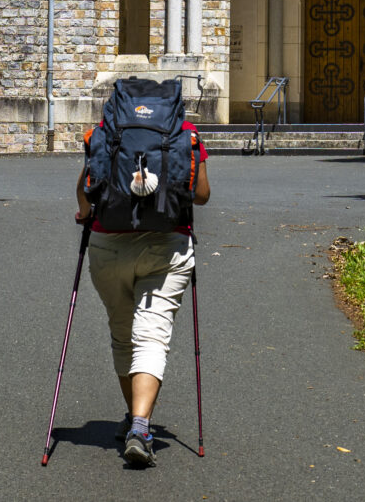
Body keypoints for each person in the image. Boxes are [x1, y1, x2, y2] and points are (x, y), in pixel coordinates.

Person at [75, 90, 210, 468]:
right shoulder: (186, 135)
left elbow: (85, 190)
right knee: (152, 334)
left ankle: (135, 417)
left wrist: (83, 213)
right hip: (167, 245)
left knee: (123, 333)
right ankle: (140, 425)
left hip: (109, 246)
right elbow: (202, 195)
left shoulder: (103, 133)